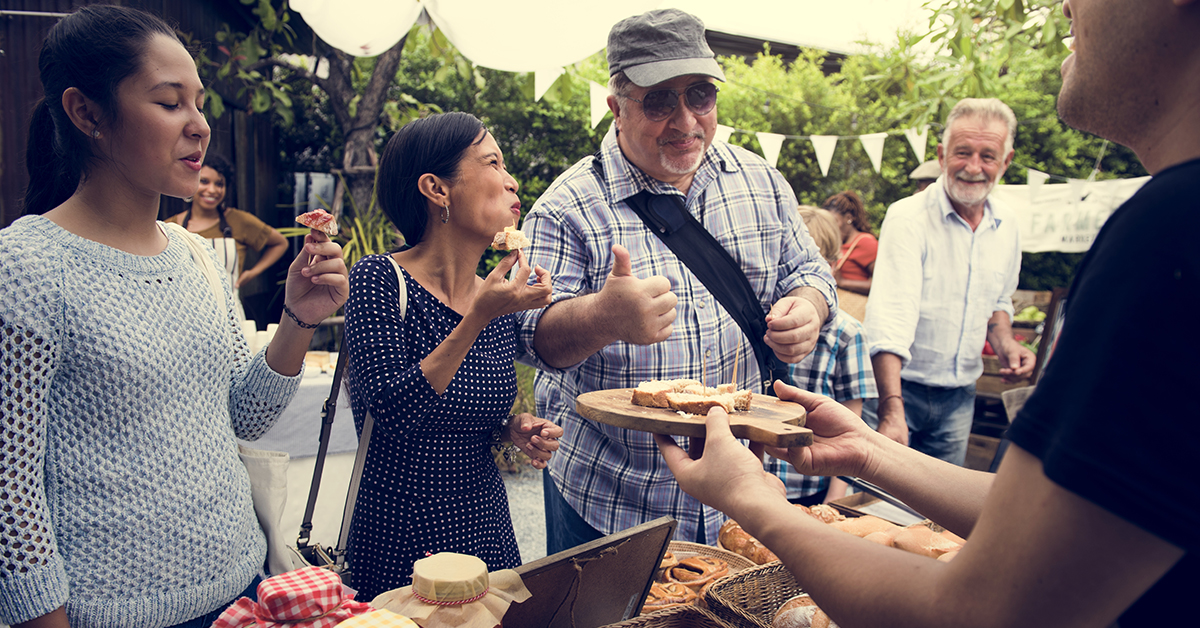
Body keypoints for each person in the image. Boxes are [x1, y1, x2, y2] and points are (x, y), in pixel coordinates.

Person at [656, 1, 1200, 626]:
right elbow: (1053, 518)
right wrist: (870, 453)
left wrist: (757, 505)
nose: (1065, 6)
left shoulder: (1170, 232)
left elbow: (979, 610)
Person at [0, 6, 349, 628]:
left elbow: (245, 416)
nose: (199, 127)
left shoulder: (195, 255)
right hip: (108, 614)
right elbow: (10, 491)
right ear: (87, 114)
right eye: (169, 103)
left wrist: (298, 318)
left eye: (200, 103)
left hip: (244, 590)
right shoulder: (26, 264)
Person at [517, 8, 836, 553]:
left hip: (742, 494)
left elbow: (810, 272)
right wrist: (603, 317)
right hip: (613, 498)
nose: (686, 121)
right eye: (661, 100)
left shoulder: (760, 180)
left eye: (700, 96)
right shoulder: (565, 207)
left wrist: (809, 308)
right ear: (616, 107)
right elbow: (526, 337)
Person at [342, 112, 561, 599]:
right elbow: (391, 409)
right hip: (402, 537)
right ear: (436, 189)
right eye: (493, 162)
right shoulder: (380, 279)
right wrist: (477, 318)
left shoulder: (496, 298)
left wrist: (512, 431)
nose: (512, 181)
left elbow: (468, 422)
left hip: (486, 530)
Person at [863, 98, 1036, 465]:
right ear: (942, 155)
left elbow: (999, 303)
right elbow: (891, 319)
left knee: (936, 517)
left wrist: (1006, 344)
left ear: (1005, 162)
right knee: (871, 505)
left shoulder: (1007, 223)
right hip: (898, 391)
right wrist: (890, 409)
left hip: (960, 398)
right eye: (962, 153)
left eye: (987, 156)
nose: (973, 167)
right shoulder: (908, 216)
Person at [768, 207, 876, 505]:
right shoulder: (765, 322)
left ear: (829, 266)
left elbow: (853, 424)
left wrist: (834, 500)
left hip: (811, 485)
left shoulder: (848, 333)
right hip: (759, 479)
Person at [166, 154, 288, 323]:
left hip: (229, 318)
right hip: (183, 318)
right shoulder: (171, 227)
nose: (212, 190)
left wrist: (253, 273)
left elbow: (280, 243)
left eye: (219, 184)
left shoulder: (239, 221)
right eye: (204, 181)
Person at [822, 191, 876, 298]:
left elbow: (883, 284)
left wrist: (843, 282)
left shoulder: (866, 243)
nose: (831, 227)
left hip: (855, 308)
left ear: (848, 218)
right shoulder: (837, 244)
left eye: (835, 221)